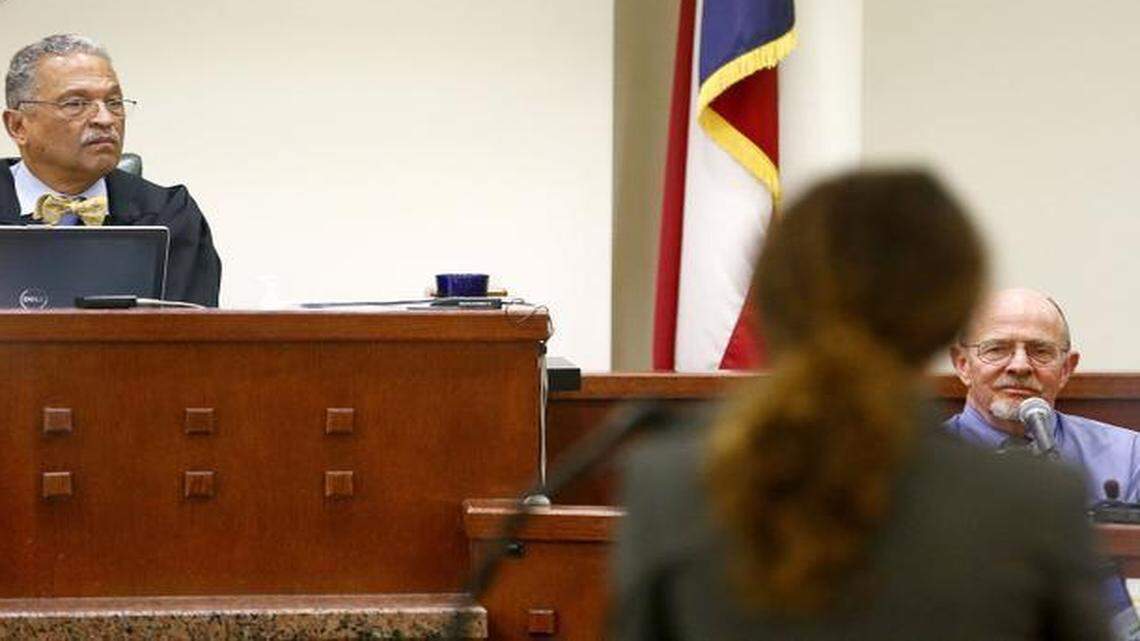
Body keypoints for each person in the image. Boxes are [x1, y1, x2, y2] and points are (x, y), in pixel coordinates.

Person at [613, 170, 1110, 640]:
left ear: (772, 299)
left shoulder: (670, 484)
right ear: (949, 327)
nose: (1019, 365)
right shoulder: (1035, 502)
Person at [1, 34, 220, 306]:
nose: (105, 119)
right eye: (75, 104)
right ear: (18, 126)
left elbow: (190, 336)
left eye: (114, 102)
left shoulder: (168, 214)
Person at [945, 288, 1140, 502]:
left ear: (1066, 369)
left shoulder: (1128, 458)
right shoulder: (915, 462)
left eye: (1040, 351)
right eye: (997, 349)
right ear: (963, 365)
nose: (1020, 366)